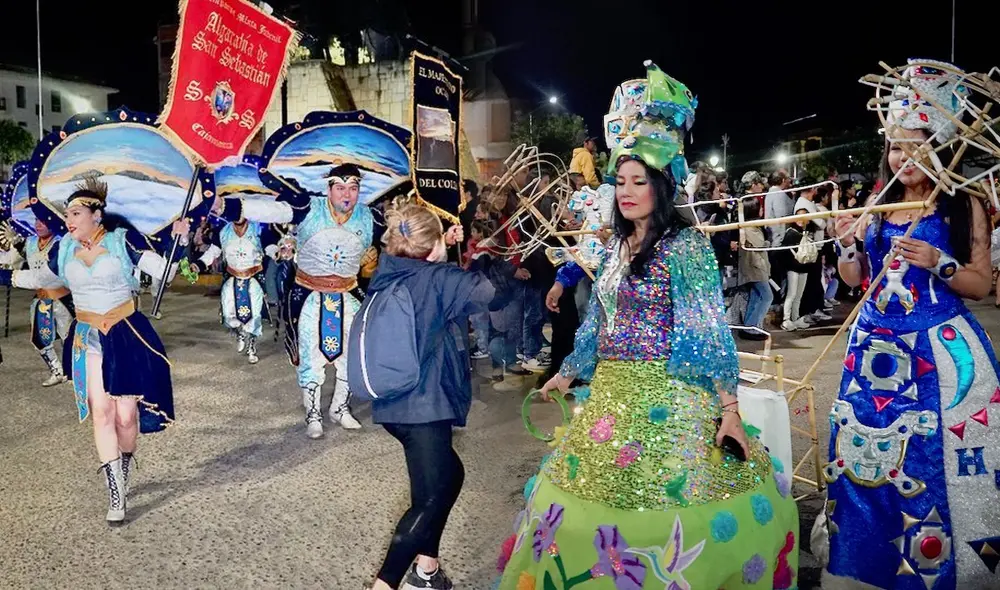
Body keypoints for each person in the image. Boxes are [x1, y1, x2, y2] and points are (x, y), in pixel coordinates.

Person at [498, 62, 798, 590]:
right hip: (610, 396)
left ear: (663, 185)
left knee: (671, 517)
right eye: (621, 181)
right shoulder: (616, 246)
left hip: (673, 397)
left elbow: (708, 334)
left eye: (640, 181)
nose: (628, 191)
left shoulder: (686, 247)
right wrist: (566, 374)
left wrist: (729, 411)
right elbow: (598, 320)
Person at [823, 62, 998, 589]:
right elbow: (858, 280)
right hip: (871, 354)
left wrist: (937, 262)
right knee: (863, 461)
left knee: (927, 462)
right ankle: (864, 566)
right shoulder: (879, 204)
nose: (903, 158)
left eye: (914, 146)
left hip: (939, 358)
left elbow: (980, 284)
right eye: (896, 148)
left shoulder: (964, 204)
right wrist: (847, 243)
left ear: (939, 147)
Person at [12, 177, 187, 524]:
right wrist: (8, 276)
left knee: (126, 417)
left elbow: (164, 274)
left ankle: (125, 464)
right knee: (102, 413)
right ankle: (115, 488)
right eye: (67, 214)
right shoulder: (64, 249)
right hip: (86, 337)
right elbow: (40, 280)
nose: (68, 220)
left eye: (75, 213)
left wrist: (178, 243)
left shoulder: (123, 241)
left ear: (97, 214)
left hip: (125, 334)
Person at [366, 203, 497, 590]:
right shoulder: (439, 278)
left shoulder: (389, 270)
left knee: (448, 476)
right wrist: (485, 255)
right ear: (434, 245)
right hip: (423, 405)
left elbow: (431, 286)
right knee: (429, 499)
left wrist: (441, 248)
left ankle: (427, 569)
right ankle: (387, 584)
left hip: (394, 401)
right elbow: (492, 295)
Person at [213, 163, 377, 438]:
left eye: (353, 188)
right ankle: (313, 413)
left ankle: (340, 408)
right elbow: (273, 211)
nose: (347, 195)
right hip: (309, 295)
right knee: (309, 356)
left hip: (349, 295)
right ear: (328, 189)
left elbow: (403, 236)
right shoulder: (308, 208)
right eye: (340, 188)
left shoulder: (370, 217)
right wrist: (225, 206)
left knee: (351, 356)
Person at [189, 217, 278, 364]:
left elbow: (271, 248)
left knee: (255, 314)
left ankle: (251, 345)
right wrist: (199, 264)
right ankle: (239, 333)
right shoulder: (223, 232)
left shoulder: (258, 230)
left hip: (254, 278)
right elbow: (213, 252)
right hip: (232, 278)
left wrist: (278, 253)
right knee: (228, 313)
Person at [7, 218, 75, 385]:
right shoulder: (30, 242)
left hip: (62, 298)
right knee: (40, 339)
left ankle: (72, 372)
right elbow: (18, 258)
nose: (38, 225)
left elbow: (47, 275)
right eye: (36, 220)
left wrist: (9, 277)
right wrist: (14, 243)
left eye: (43, 221)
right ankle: (56, 370)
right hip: (42, 298)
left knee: (69, 336)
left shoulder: (61, 243)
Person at [737, 197, 772, 340]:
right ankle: (753, 327)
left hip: (756, 266)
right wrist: (768, 240)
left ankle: (749, 327)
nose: (762, 209)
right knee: (767, 296)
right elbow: (760, 243)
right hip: (755, 267)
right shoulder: (749, 227)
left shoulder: (753, 226)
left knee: (756, 297)